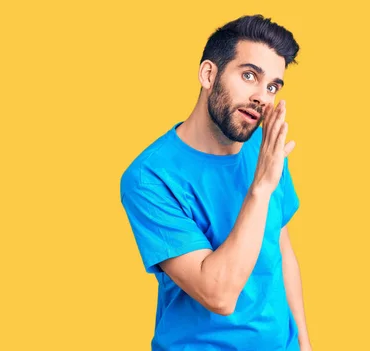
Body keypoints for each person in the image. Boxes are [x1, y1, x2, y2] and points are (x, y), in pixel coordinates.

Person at [119, 14, 311, 351]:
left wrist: (305, 345)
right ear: (209, 74)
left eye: (272, 86)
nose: (262, 97)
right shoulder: (150, 177)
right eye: (249, 75)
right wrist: (261, 188)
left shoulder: (263, 148)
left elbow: (280, 249)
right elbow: (218, 294)